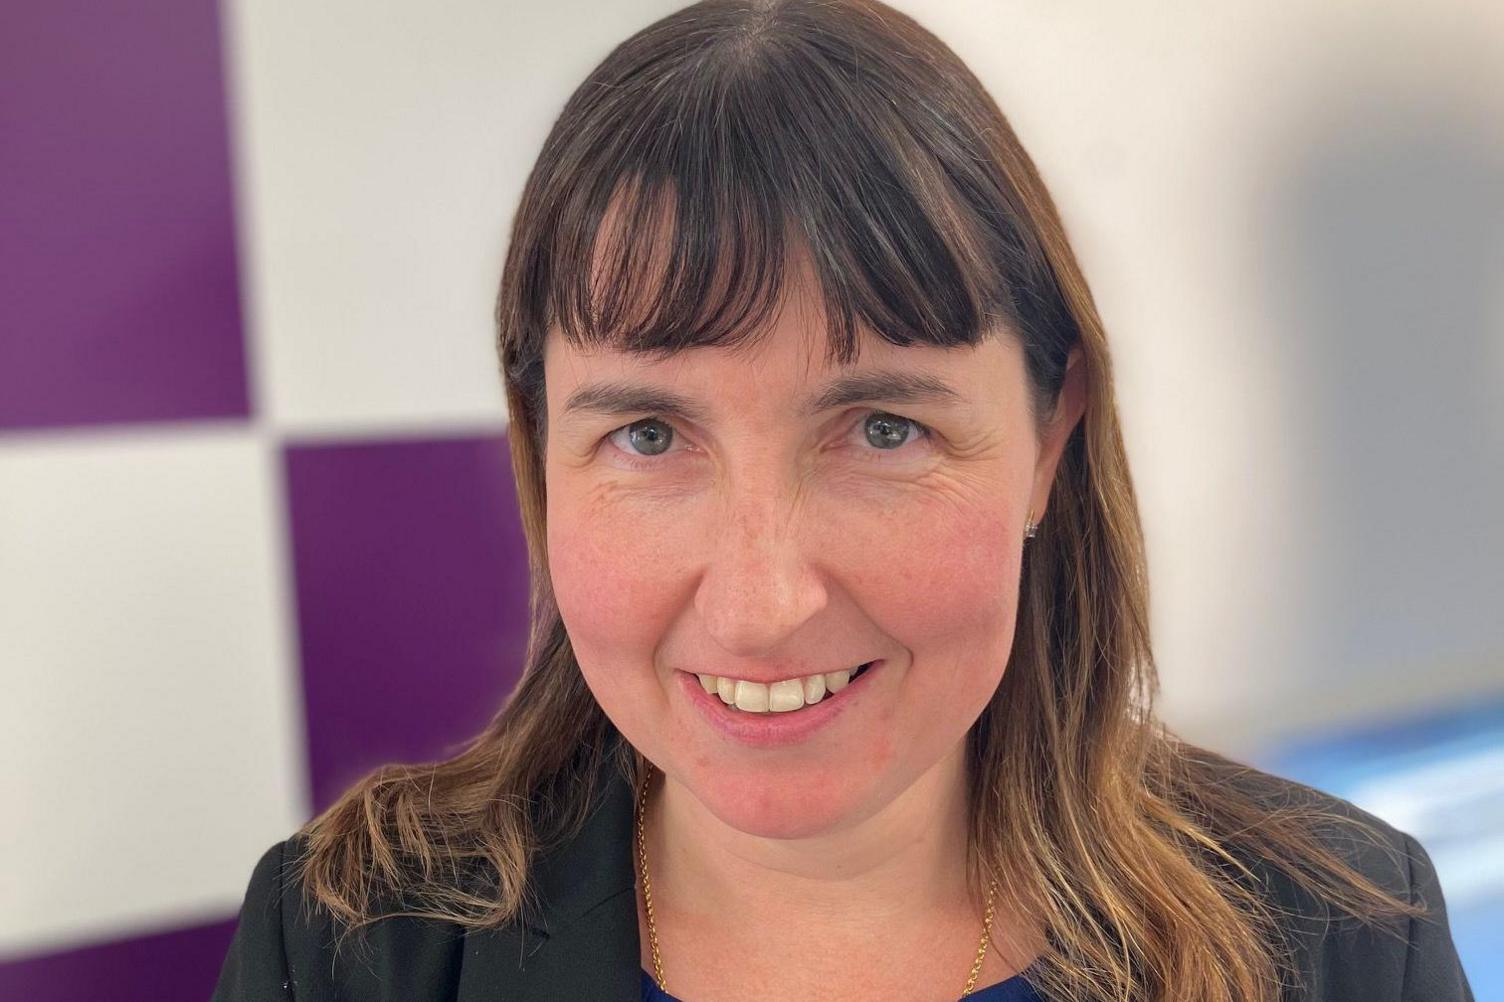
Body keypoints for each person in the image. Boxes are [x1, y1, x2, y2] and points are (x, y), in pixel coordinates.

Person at [213, 1, 1476, 999]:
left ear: (1049, 441)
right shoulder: (351, 946)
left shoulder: (1345, 939)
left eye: (882, 428)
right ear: (543, 456)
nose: (763, 605)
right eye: (650, 434)